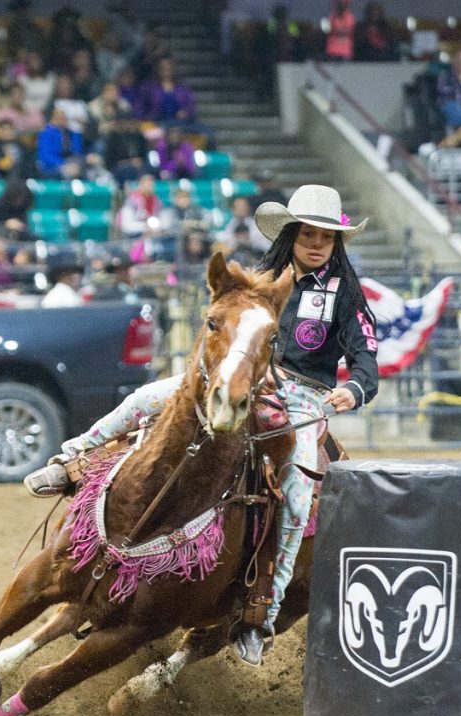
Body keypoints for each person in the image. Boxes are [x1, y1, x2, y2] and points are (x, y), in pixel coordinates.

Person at [23, 184, 379, 666]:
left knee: (297, 491)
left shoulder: (348, 299)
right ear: (292, 235)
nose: (317, 244)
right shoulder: (261, 283)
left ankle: (264, 611)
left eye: (327, 237)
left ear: (337, 243)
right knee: (146, 399)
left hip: (302, 400)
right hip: (245, 378)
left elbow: (366, 364)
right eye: (308, 234)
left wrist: (351, 390)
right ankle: (72, 458)